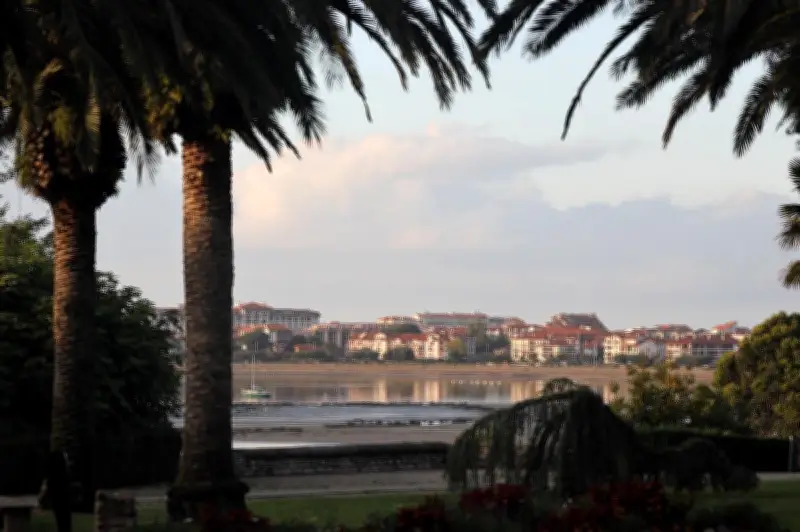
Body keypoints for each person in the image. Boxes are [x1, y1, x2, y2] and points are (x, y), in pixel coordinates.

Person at [38, 451, 72, 532]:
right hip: (59, 492)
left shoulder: (60, 456)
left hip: (61, 492)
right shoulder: (55, 457)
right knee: (62, 518)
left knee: (63, 518)